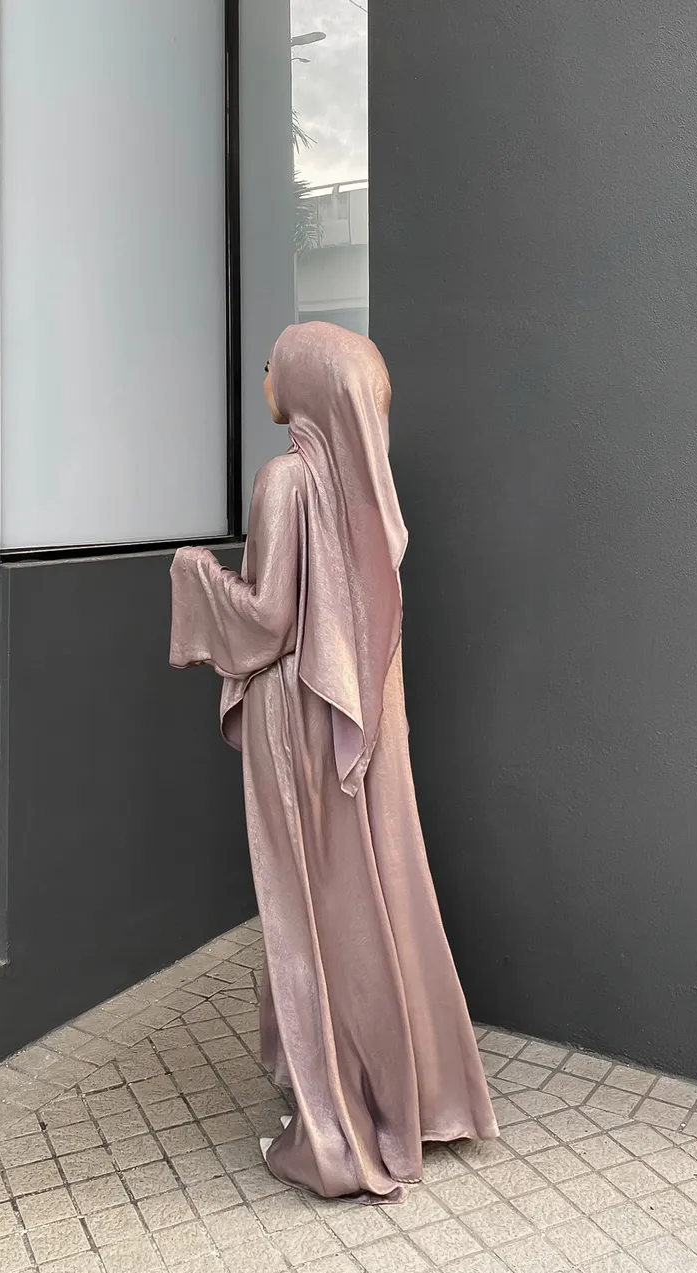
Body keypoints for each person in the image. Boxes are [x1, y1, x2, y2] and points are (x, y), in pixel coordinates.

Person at [169, 321, 497, 1203]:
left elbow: (267, 620)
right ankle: (401, 1093)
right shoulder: (362, 483)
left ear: (307, 384)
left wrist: (196, 576)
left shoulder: (285, 479)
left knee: (310, 901)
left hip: (295, 720)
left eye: (274, 364)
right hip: (355, 716)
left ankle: (339, 1125)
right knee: (370, 889)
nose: (266, 376)